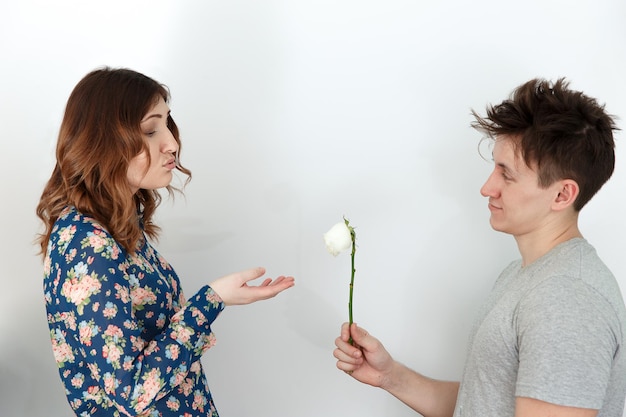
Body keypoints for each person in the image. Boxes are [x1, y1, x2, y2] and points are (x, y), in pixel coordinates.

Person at [334, 78, 626, 417]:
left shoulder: (566, 298)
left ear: (562, 195)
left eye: (507, 175)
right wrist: (390, 376)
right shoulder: (528, 276)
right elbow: (484, 401)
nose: (487, 188)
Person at [36, 67, 295, 417]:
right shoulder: (87, 243)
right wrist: (212, 300)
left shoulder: (119, 230)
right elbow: (130, 391)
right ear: (103, 141)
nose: (171, 143)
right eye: (149, 129)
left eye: (167, 124)